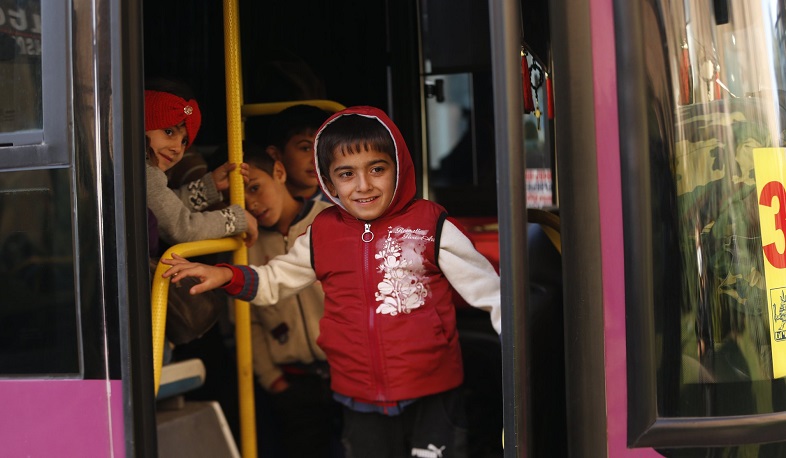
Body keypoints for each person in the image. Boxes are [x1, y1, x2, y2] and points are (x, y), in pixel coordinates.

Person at [162, 106, 501, 458]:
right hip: (359, 395)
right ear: (329, 180)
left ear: (399, 167)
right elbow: (276, 279)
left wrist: (521, 350)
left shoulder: (430, 224)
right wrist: (226, 275)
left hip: (431, 390)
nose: (364, 185)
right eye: (346, 174)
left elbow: (490, 293)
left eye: (377, 169)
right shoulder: (323, 232)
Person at [233, 140, 339, 457]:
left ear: (279, 172)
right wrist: (272, 379)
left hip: (347, 372)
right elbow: (246, 321)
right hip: (292, 383)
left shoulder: (330, 222)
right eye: (237, 198)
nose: (250, 204)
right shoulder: (245, 245)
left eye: (254, 188)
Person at [144, 78, 258, 249]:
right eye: (169, 132)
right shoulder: (145, 172)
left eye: (184, 141)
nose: (177, 148)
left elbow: (164, 208)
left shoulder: (140, 173)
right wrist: (236, 218)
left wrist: (208, 187)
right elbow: (182, 228)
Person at [264, 104, 332, 202]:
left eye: (324, 148)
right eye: (305, 148)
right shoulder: (261, 205)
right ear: (274, 155)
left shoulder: (343, 205)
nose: (316, 159)